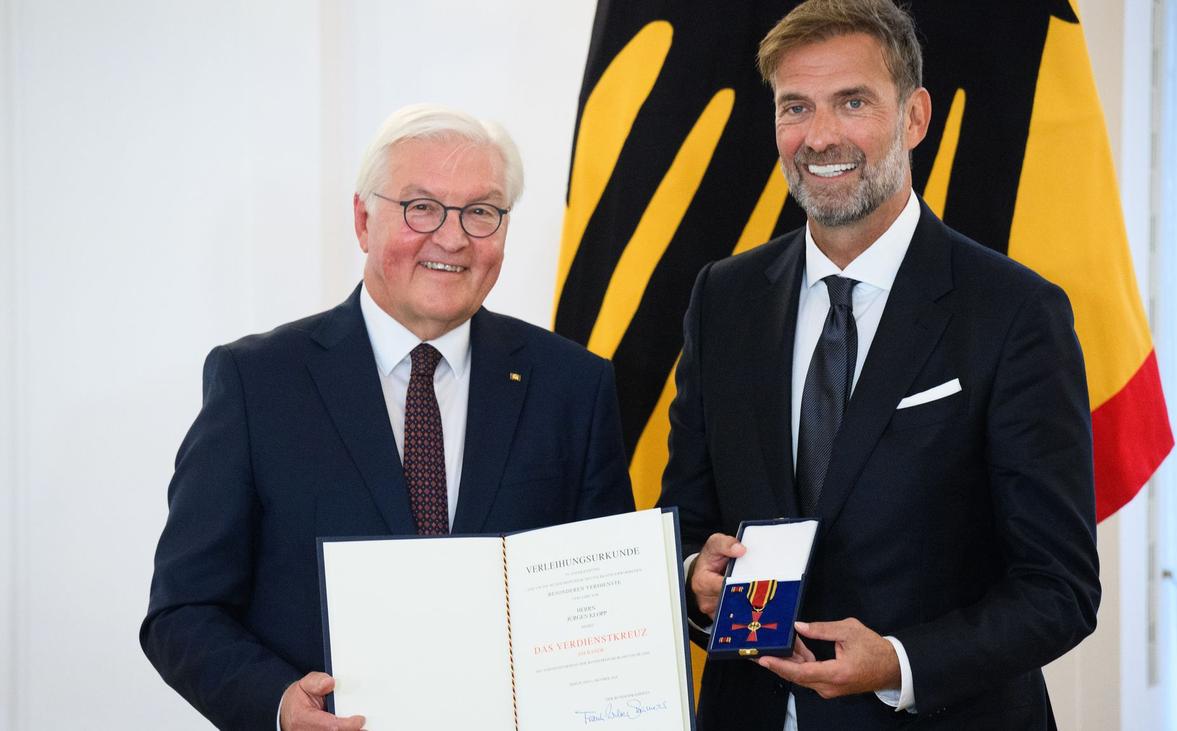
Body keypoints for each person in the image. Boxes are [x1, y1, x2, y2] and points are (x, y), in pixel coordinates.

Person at [657, 1, 1101, 728]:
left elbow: (1060, 589)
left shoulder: (1015, 312)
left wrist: (899, 661)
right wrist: (693, 580)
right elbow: (686, 523)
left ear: (915, 117)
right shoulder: (722, 299)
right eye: (795, 107)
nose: (820, 136)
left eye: (853, 102)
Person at [141, 104, 635, 730]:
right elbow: (183, 610)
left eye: (481, 211)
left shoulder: (573, 385)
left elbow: (609, 600)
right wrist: (278, 704)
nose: (452, 238)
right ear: (362, 220)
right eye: (421, 207)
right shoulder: (257, 382)